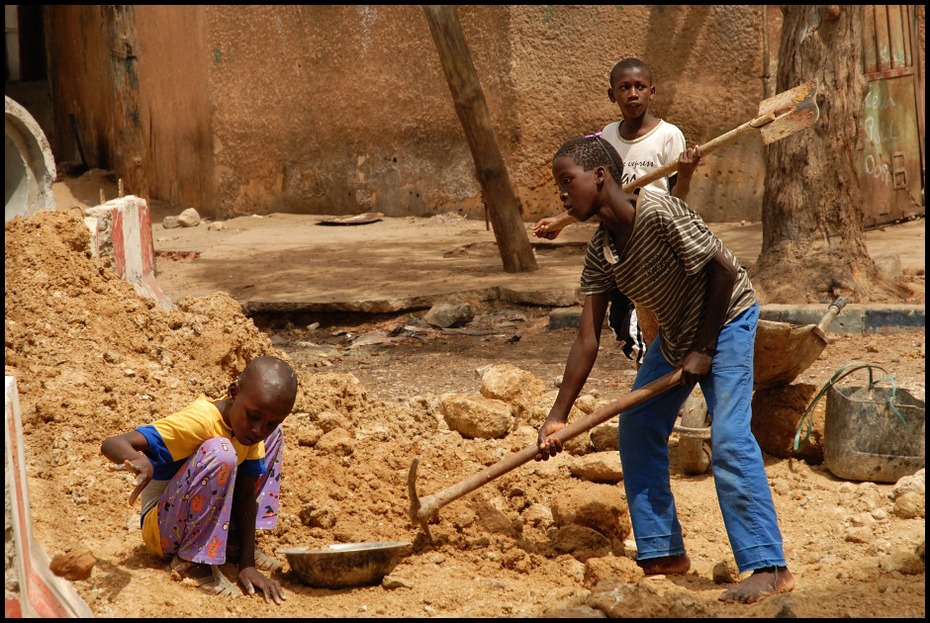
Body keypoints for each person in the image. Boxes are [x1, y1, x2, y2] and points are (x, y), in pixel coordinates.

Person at [535, 135, 794, 604]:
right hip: (676, 334)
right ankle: (662, 550)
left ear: (599, 177)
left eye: (567, 181)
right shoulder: (602, 252)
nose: (562, 195)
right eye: (559, 186)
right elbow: (586, 339)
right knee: (637, 426)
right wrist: (557, 417)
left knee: (731, 435)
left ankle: (768, 565)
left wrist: (706, 349)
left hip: (728, 320)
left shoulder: (658, 211)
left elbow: (724, 270)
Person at [533, 58, 702, 367]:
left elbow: (679, 202)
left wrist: (687, 175)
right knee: (624, 318)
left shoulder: (668, 136)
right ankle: (654, 379)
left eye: (640, 87)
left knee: (655, 317)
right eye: (624, 88)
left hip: (655, 238)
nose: (633, 94)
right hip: (617, 242)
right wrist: (561, 221)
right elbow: (595, 195)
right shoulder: (606, 137)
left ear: (652, 92)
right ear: (612, 95)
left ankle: (658, 383)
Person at [101, 355, 298, 605]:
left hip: (201, 518)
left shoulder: (251, 432)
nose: (259, 429)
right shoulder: (198, 421)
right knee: (221, 451)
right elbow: (113, 442)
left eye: (271, 422)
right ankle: (192, 562)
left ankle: (232, 544)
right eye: (254, 416)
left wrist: (247, 564)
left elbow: (247, 494)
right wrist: (141, 462)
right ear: (233, 393)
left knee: (272, 439)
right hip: (163, 530)